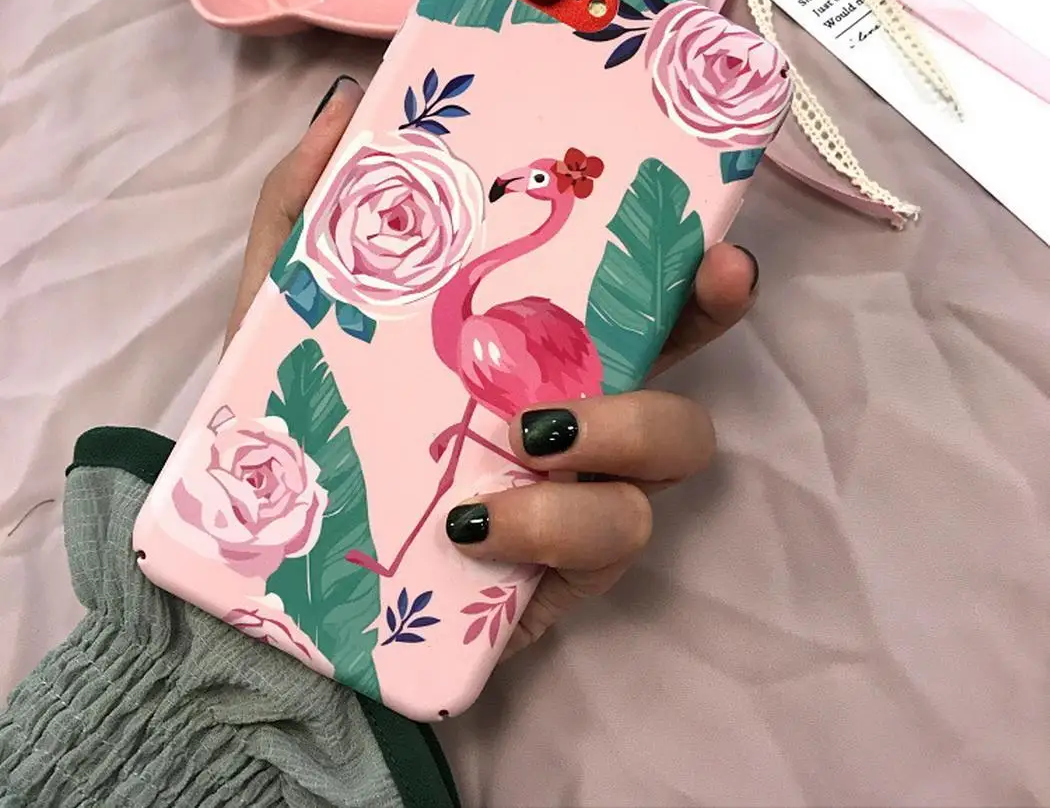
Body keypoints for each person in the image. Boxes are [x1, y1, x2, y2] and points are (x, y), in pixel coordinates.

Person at [0, 77, 759, 808]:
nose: (513, 187)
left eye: (535, 184)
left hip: (498, 398)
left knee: (479, 443)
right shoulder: (493, 321)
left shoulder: (500, 326)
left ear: (550, 198)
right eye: (524, 178)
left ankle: (406, 559)